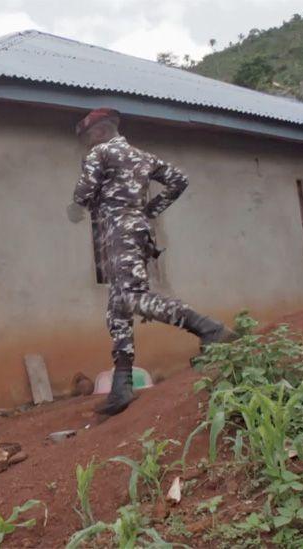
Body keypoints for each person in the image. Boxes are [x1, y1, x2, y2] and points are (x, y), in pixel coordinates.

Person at [71, 109, 237, 417]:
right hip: (133, 231)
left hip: (118, 232)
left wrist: (75, 207)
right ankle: (121, 386)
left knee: (131, 297)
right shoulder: (143, 157)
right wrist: (149, 210)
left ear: (98, 133)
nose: (87, 143)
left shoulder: (101, 153)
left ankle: (208, 327)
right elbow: (179, 180)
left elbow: (84, 190)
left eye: (87, 137)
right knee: (118, 305)